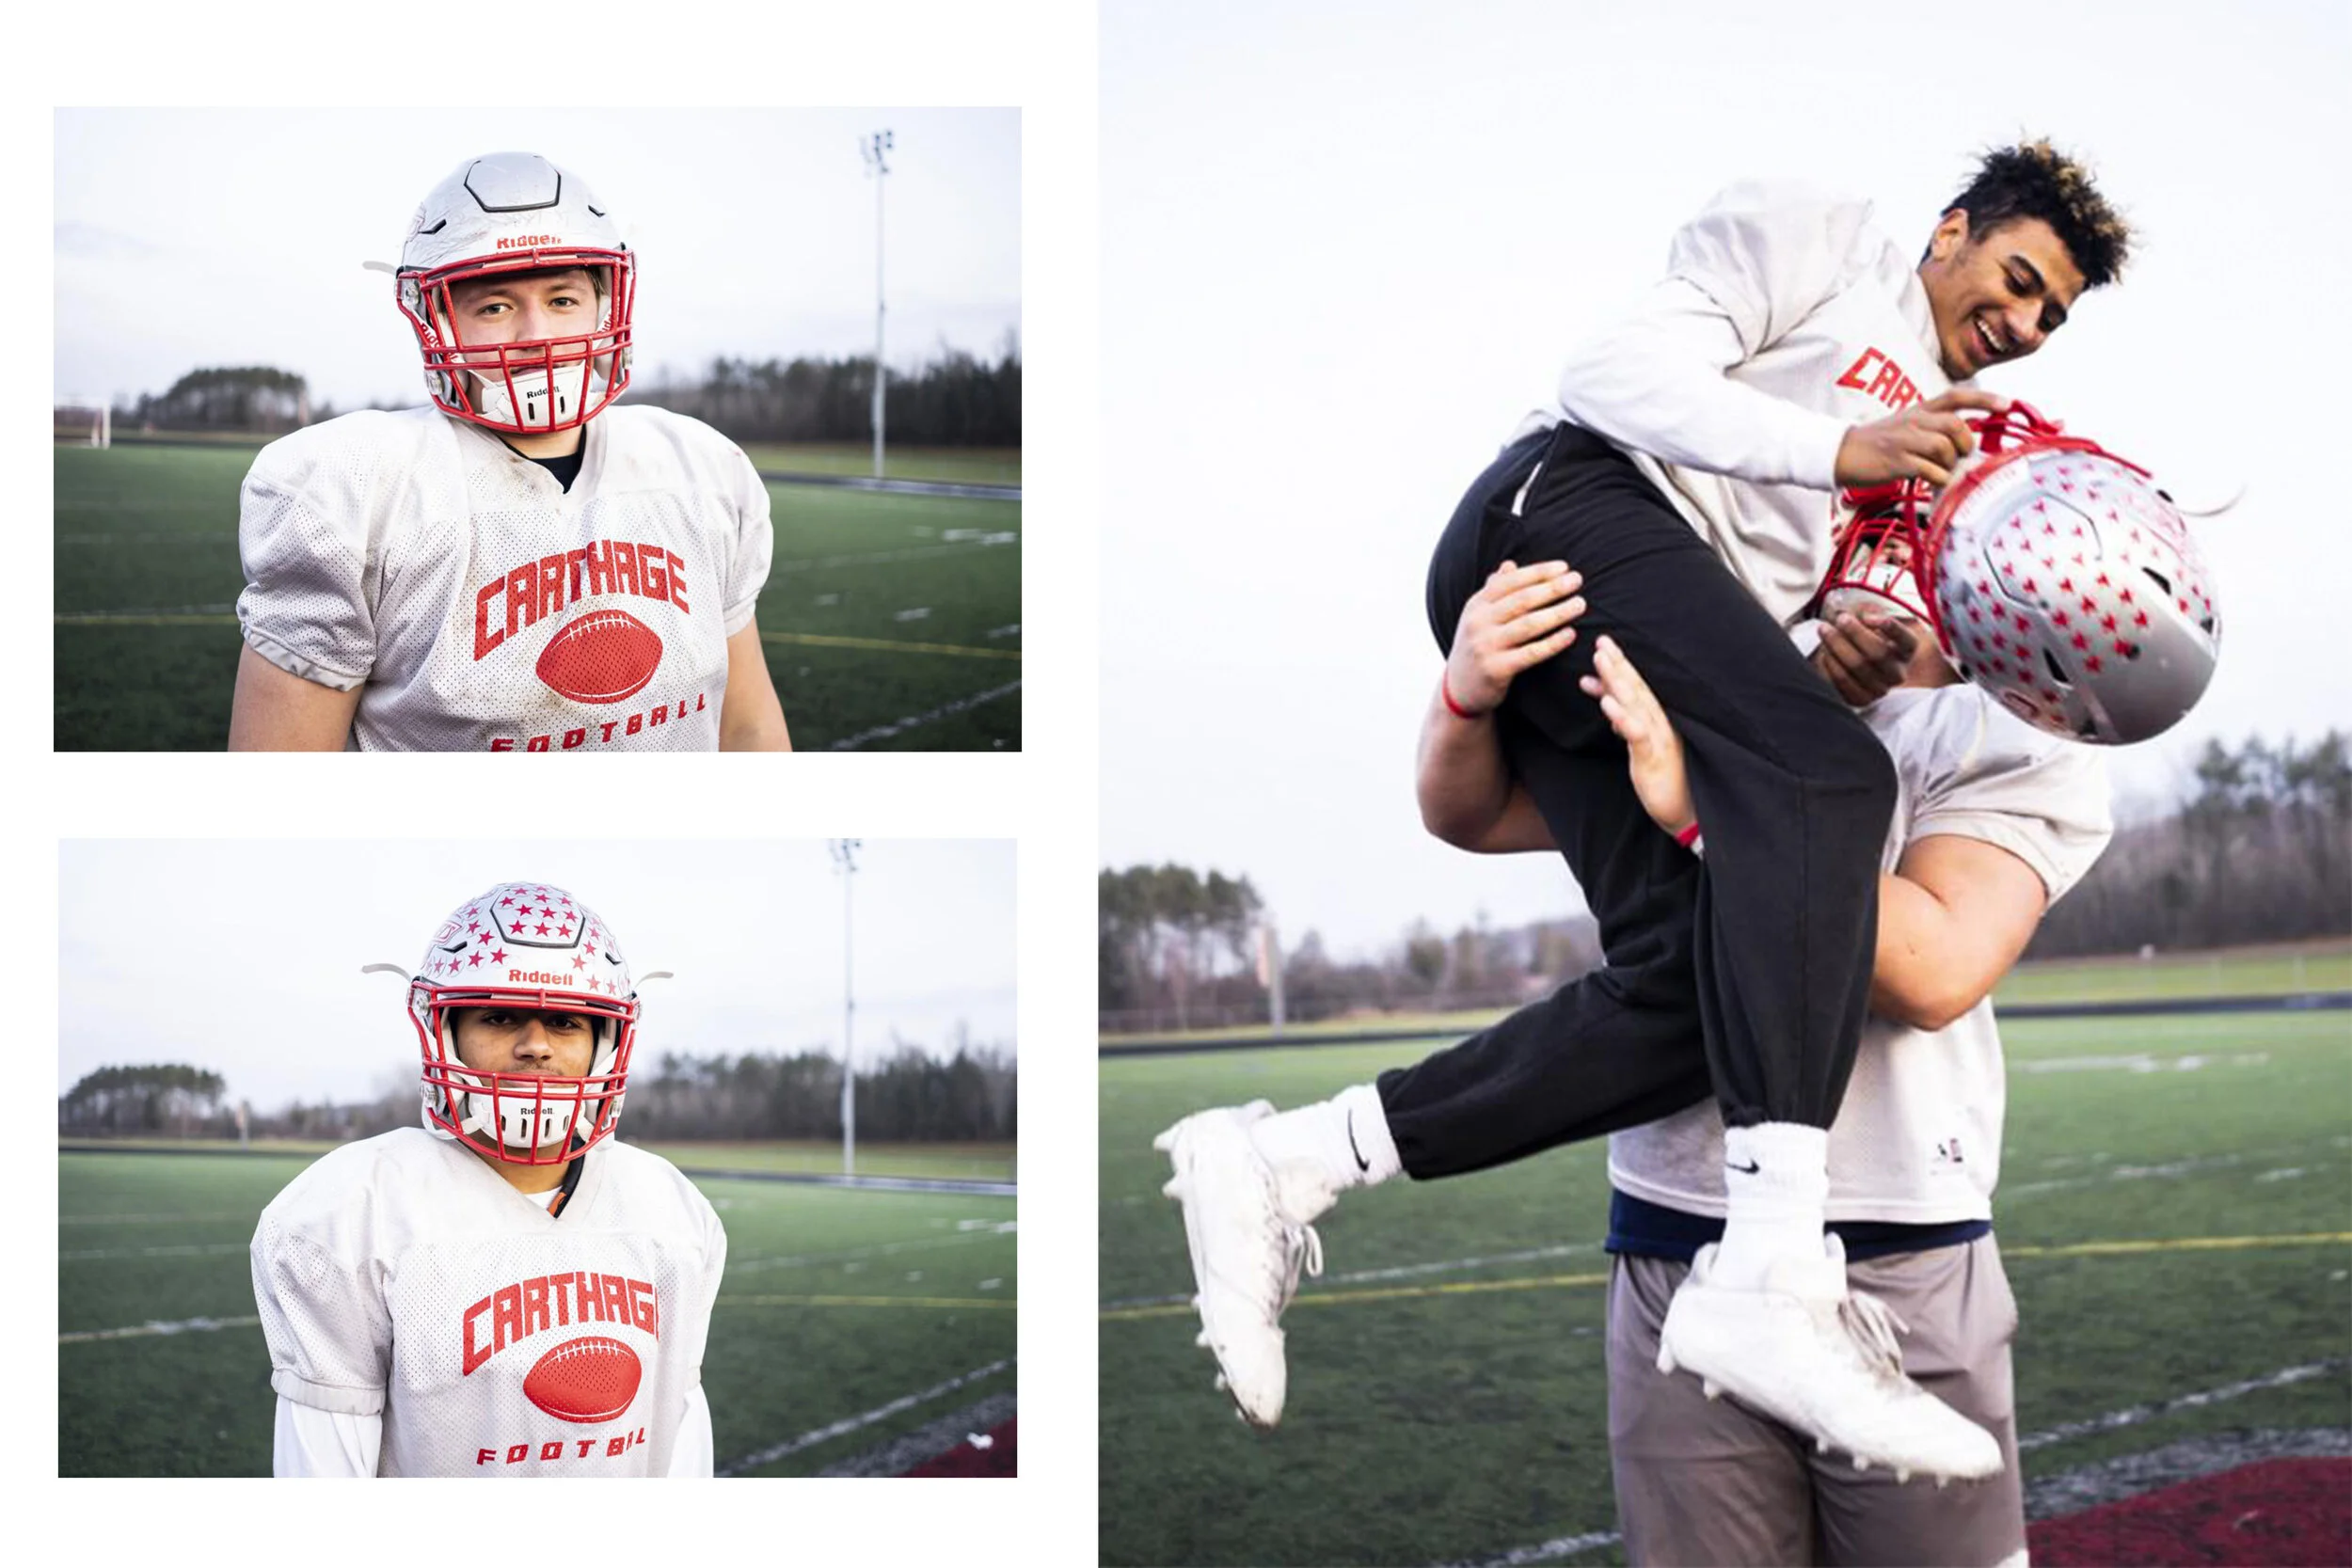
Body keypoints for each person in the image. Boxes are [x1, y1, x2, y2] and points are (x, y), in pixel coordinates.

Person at [1157, 140, 2133, 1478]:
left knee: (1702, 982)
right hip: (1562, 510)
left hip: (1628, 613)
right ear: (1952, 228)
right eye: (2020, 278)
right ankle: (1773, 1278)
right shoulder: (1826, 236)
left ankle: (1295, 1159)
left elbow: (1744, 629)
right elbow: (1604, 379)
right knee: (1831, 783)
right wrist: (1834, 448)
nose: (2023, 323)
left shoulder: (1930, 456)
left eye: (2052, 317)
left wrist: (1819, 662)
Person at [227, 150, 791, 752]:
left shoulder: (701, 467)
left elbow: (748, 729)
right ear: (438, 320)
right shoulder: (356, 487)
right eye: (495, 307)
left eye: (563, 300)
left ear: (605, 305)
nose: (536, 336)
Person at [249, 881, 727, 1477]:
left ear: (605, 1043)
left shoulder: (671, 1211)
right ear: (446, 1031)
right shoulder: (353, 1211)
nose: (535, 1047)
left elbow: (679, 1445)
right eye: (500, 1018)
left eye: (564, 1022)